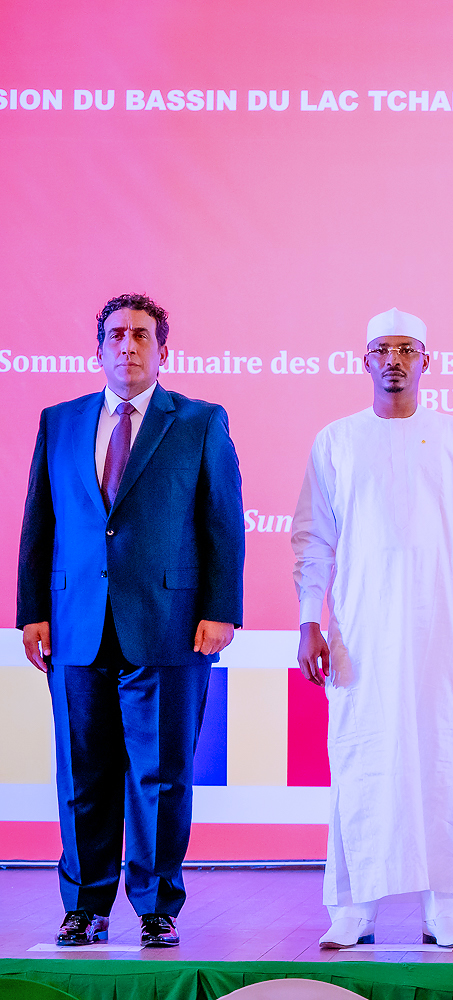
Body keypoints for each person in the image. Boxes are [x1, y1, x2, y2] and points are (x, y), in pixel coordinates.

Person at [18, 293, 245, 947]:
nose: (127, 345)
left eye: (141, 335)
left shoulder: (199, 421)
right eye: (116, 335)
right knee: (81, 774)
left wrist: (220, 611)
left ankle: (156, 906)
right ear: (98, 348)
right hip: (75, 626)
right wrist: (32, 611)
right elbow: (40, 523)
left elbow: (222, 523)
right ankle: (84, 908)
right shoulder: (59, 422)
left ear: (161, 349)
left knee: (161, 774)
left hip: (170, 624)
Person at [292, 307, 453, 950]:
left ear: (426, 361)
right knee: (361, 763)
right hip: (359, 633)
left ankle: (446, 909)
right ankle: (354, 908)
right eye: (383, 349)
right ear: (365, 361)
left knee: (442, 762)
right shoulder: (336, 441)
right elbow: (312, 539)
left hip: (440, 633)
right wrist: (309, 619)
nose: (395, 361)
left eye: (407, 349)